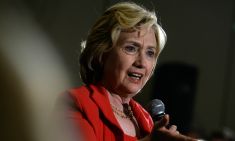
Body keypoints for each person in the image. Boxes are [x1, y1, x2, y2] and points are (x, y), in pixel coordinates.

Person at [57, 2, 197, 141]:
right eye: (131, 48)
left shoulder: (146, 120)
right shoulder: (77, 103)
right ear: (102, 53)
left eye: (150, 53)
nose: (141, 62)